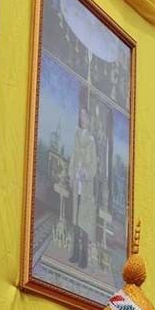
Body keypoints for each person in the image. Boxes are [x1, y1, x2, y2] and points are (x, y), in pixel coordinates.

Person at [67, 105, 98, 269]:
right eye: (81, 116)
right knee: (75, 221)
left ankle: (84, 258)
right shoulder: (77, 136)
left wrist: (85, 173)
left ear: (89, 119)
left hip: (85, 187)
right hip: (76, 185)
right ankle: (75, 254)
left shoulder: (92, 141)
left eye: (85, 116)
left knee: (84, 222)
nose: (82, 119)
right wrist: (71, 174)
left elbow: (94, 167)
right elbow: (73, 156)